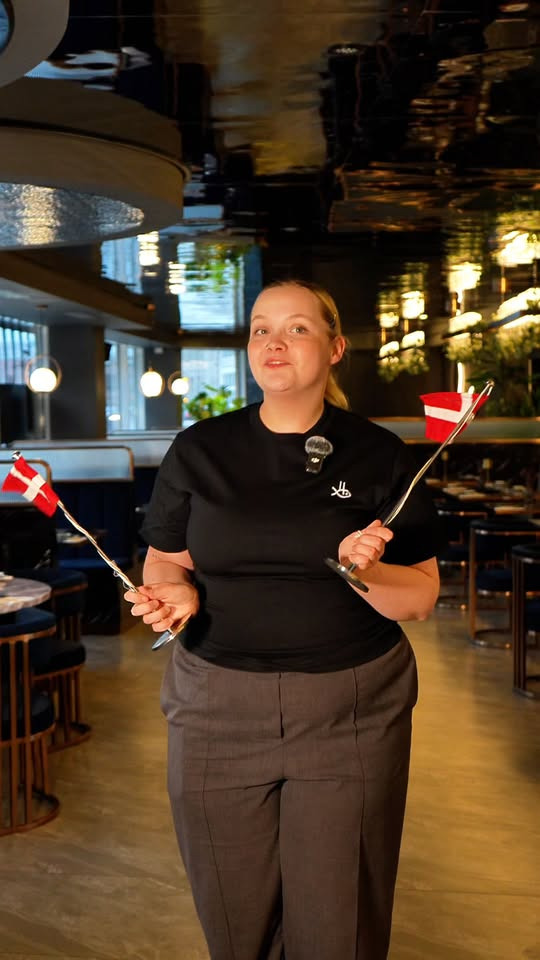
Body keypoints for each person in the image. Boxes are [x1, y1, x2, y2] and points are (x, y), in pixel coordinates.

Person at [126, 279, 441, 960]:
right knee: (233, 918)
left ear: (335, 348)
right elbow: (166, 559)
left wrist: (364, 571)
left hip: (350, 707)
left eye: (297, 328)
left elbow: (419, 598)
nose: (275, 342)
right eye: (261, 328)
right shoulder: (200, 449)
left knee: (338, 923)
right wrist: (175, 594)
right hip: (214, 707)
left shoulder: (380, 454)